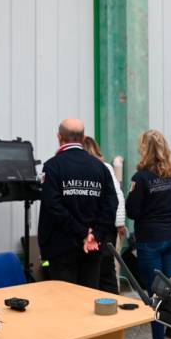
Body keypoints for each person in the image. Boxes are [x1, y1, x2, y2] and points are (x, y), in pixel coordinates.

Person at [37, 118, 118, 289]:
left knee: (66, 301)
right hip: (93, 247)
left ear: (59, 137)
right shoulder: (100, 167)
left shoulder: (52, 167)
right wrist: (94, 234)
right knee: (88, 297)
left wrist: (83, 233)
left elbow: (53, 206)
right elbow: (111, 204)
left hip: (62, 248)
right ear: (83, 138)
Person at [127, 130, 171, 339]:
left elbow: (132, 211)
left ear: (144, 149)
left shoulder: (141, 178)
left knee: (155, 292)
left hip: (150, 240)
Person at [83, 135, 127, 294]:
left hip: (89, 231)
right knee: (108, 270)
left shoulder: (88, 169)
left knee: (93, 273)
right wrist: (120, 223)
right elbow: (118, 196)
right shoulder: (105, 167)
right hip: (107, 228)